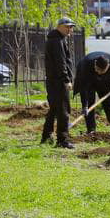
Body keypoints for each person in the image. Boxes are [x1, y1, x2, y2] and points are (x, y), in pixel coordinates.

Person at [40, 17, 76, 149]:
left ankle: (46, 135)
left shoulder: (57, 39)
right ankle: (62, 140)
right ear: (59, 26)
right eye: (67, 27)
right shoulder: (56, 41)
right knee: (64, 111)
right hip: (58, 82)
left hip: (54, 81)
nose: (70, 29)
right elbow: (61, 63)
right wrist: (66, 80)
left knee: (54, 109)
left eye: (71, 27)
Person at [72, 50, 110, 134]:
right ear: (95, 63)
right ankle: (91, 130)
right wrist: (84, 106)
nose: (99, 72)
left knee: (109, 104)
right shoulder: (85, 65)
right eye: (97, 70)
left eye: (102, 71)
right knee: (89, 105)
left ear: (108, 66)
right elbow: (83, 87)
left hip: (105, 81)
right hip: (88, 80)